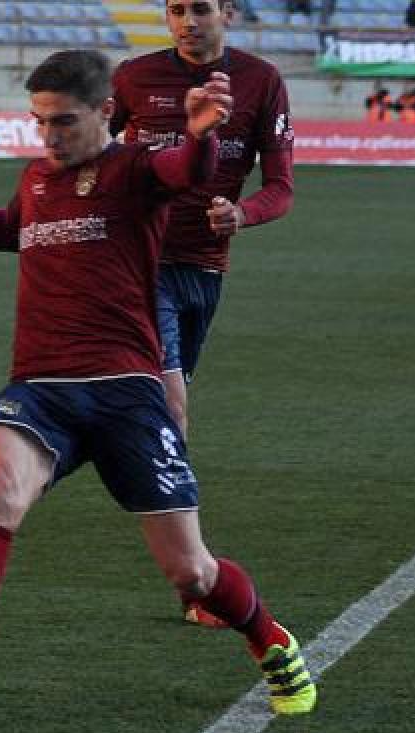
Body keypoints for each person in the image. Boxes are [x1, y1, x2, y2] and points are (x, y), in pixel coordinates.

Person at [0, 49, 316, 720]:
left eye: (64, 123)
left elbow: (185, 172)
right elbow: (17, 224)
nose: (49, 137)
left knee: (190, 573)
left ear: (107, 112)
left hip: (125, 392)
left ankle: (270, 639)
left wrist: (199, 134)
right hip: (42, 386)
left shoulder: (137, 171)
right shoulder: (38, 177)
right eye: (39, 122)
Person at [110, 0, 295, 626]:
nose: (190, 21)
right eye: (177, 9)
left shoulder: (262, 82)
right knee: (173, 406)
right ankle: (196, 581)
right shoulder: (134, 79)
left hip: (206, 272)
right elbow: (91, 154)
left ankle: (111, 447)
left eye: (202, 9)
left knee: (169, 408)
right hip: (144, 264)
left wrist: (244, 213)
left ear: (229, 13)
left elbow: (281, 186)